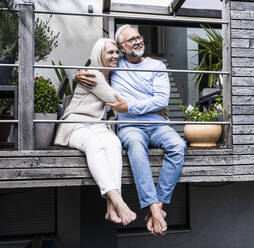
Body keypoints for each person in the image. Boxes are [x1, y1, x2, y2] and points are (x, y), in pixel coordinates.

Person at [76, 25, 186, 235]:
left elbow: (161, 99)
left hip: (157, 125)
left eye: (138, 37)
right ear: (121, 47)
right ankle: (153, 208)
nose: (137, 41)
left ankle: (157, 206)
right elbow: (96, 69)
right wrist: (77, 73)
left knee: (178, 145)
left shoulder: (157, 66)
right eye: (131, 40)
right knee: (136, 146)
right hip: (130, 127)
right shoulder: (116, 65)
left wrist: (131, 107)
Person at [54, 38, 137, 226]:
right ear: (99, 55)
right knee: (94, 145)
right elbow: (118, 100)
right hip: (76, 124)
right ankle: (119, 203)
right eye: (110, 52)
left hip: (97, 126)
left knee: (114, 144)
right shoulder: (94, 74)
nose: (115, 55)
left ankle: (110, 209)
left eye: (117, 52)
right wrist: (155, 108)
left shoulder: (112, 76)